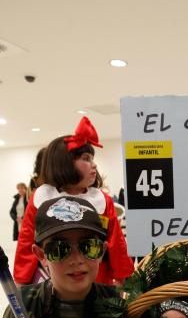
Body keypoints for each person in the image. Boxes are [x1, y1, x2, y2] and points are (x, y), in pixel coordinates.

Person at [13, 117, 134, 286]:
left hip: (97, 279)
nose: (94, 165)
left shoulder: (101, 200)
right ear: (64, 163)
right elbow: (27, 242)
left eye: (92, 159)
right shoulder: (42, 197)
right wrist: (22, 282)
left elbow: (116, 243)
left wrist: (124, 279)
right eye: (86, 158)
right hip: (54, 278)